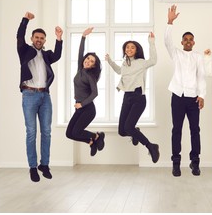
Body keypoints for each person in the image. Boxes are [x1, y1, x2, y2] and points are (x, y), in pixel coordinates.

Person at [17, 11, 63, 182]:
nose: (39, 40)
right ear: (32, 38)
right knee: (31, 132)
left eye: (42, 38)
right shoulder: (24, 50)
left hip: (45, 96)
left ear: (44, 41)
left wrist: (59, 39)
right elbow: (19, 36)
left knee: (47, 132)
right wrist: (25, 21)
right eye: (36, 37)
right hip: (29, 94)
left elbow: (57, 55)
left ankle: (45, 164)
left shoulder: (46, 55)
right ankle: (32, 167)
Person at [164, 5, 206, 177]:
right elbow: (167, 41)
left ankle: (195, 162)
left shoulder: (198, 57)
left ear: (194, 42)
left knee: (195, 130)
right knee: (177, 129)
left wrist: (202, 95)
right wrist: (170, 22)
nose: (188, 41)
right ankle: (176, 163)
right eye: (185, 39)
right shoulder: (176, 54)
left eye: (191, 39)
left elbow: (201, 77)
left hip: (193, 99)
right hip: (177, 97)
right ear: (182, 42)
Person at [105, 33, 160, 163]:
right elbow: (119, 71)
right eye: (127, 47)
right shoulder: (125, 63)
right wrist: (110, 61)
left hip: (138, 98)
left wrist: (151, 42)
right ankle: (136, 131)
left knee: (128, 127)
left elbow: (153, 60)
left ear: (137, 50)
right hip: (127, 97)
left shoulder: (141, 62)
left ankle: (151, 146)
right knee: (122, 131)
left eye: (132, 47)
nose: (129, 49)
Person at [66, 27, 105, 157]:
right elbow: (80, 53)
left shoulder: (90, 76)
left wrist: (82, 104)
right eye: (87, 59)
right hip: (79, 107)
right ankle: (91, 141)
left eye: (92, 61)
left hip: (87, 109)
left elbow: (95, 93)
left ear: (94, 65)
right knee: (69, 134)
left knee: (76, 132)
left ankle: (97, 136)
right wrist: (83, 36)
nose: (88, 61)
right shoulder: (80, 69)